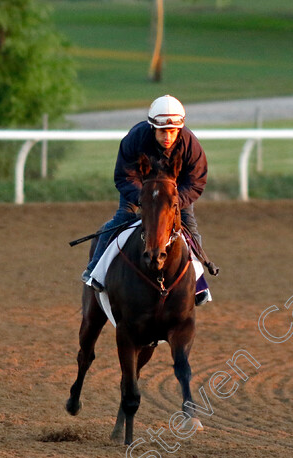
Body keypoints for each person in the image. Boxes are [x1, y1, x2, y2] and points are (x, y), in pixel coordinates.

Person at [81, 94, 212, 305]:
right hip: (140, 192)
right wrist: (144, 199)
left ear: (179, 129)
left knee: (190, 228)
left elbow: (196, 182)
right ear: (153, 128)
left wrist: (175, 201)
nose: (168, 136)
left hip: (173, 197)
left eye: (172, 131)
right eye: (162, 131)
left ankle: (198, 283)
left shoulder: (190, 145)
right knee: (122, 219)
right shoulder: (135, 138)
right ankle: (95, 271)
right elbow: (124, 176)